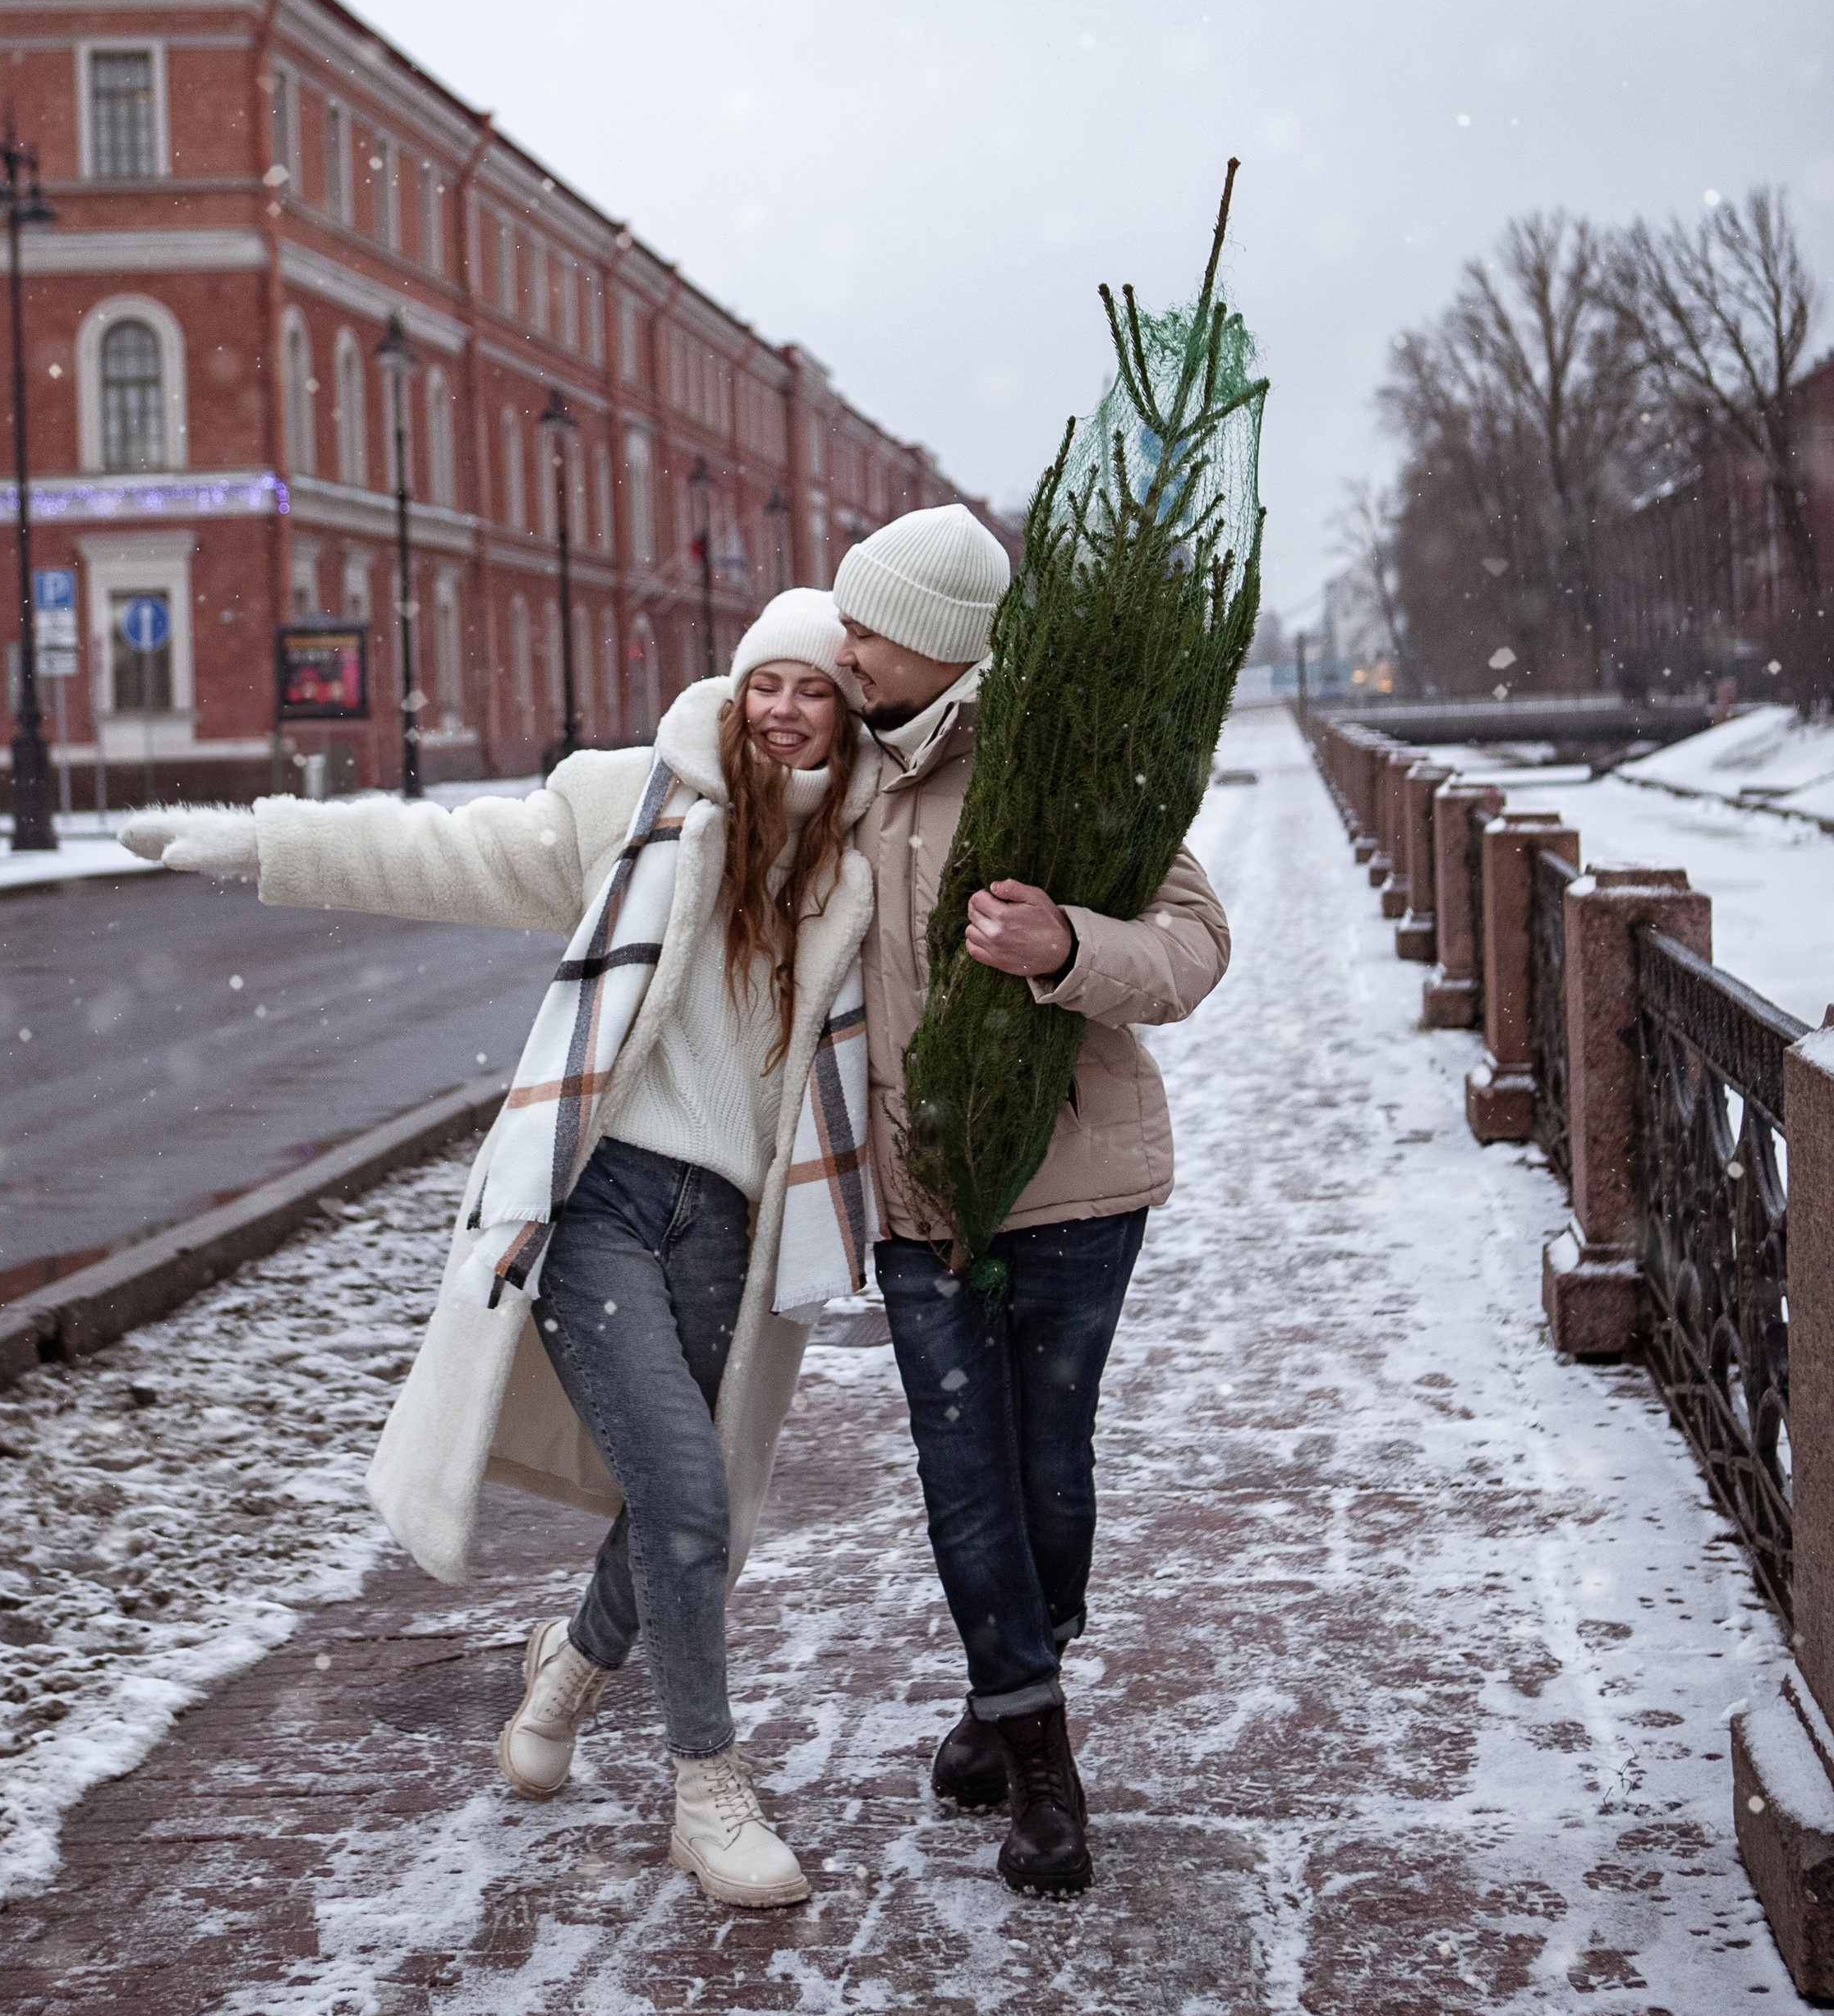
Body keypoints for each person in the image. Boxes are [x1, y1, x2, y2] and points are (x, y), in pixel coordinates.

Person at [119, 589, 880, 1912]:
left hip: (736, 1229)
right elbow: (447, 855)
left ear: (845, 715)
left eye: (814, 689)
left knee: (675, 1497)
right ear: (735, 688)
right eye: (766, 681)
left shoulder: (858, 867)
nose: (782, 709)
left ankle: (570, 1676)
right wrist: (254, 843)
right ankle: (707, 1791)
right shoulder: (626, 806)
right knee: (695, 1506)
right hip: (596, 1204)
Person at [830, 504, 1230, 1899]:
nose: (843, 645)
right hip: (916, 1189)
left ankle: (1007, 1686)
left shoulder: (1062, 767)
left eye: (867, 624)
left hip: (1070, 1183)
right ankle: (1041, 1750)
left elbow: (1192, 946)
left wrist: (1066, 945)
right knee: (964, 1476)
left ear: (940, 648)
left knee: (1049, 1474)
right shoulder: (838, 770)